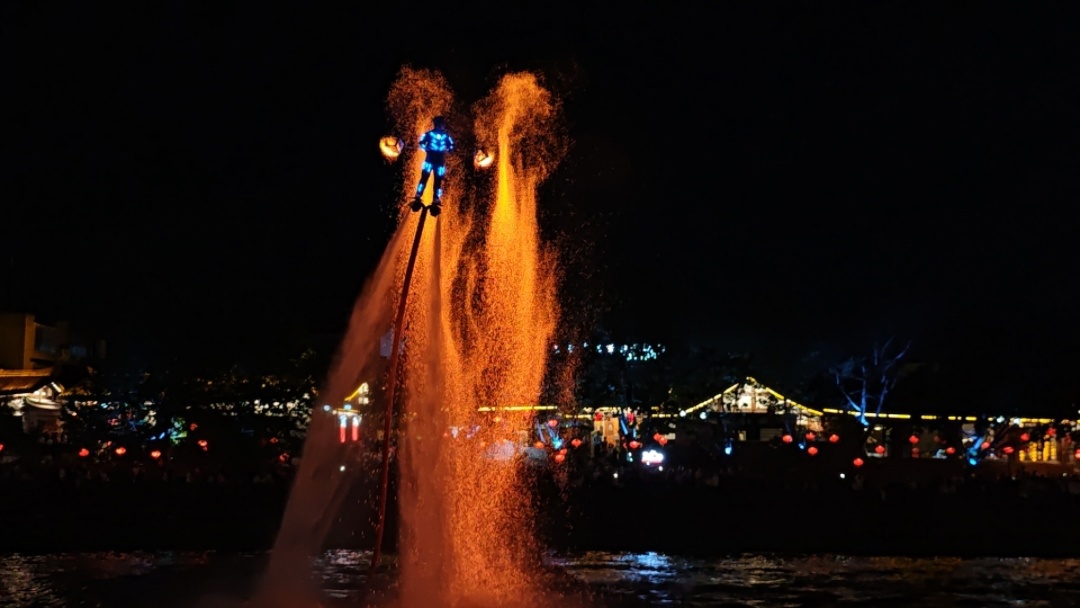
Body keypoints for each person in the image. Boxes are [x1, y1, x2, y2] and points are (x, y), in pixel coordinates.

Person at [411, 116, 455, 215]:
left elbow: (452, 145)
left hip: (438, 162)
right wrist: (426, 148)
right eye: (442, 124)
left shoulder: (446, 136)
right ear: (438, 124)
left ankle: (435, 198)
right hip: (430, 160)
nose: (443, 126)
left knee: (437, 181)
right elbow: (421, 143)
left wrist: (448, 149)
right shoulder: (429, 134)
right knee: (424, 178)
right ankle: (419, 194)